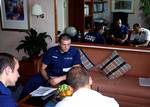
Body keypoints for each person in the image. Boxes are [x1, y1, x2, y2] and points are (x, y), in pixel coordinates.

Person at [20, 33, 81, 99]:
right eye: (64, 44)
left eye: (68, 44)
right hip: (49, 76)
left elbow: (77, 70)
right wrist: (49, 80)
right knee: (32, 80)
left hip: (66, 78)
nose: (67, 47)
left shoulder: (75, 52)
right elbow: (42, 69)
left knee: (67, 94)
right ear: (59, 43)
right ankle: (21, 101)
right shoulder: (51, 51)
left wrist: (60, 78)